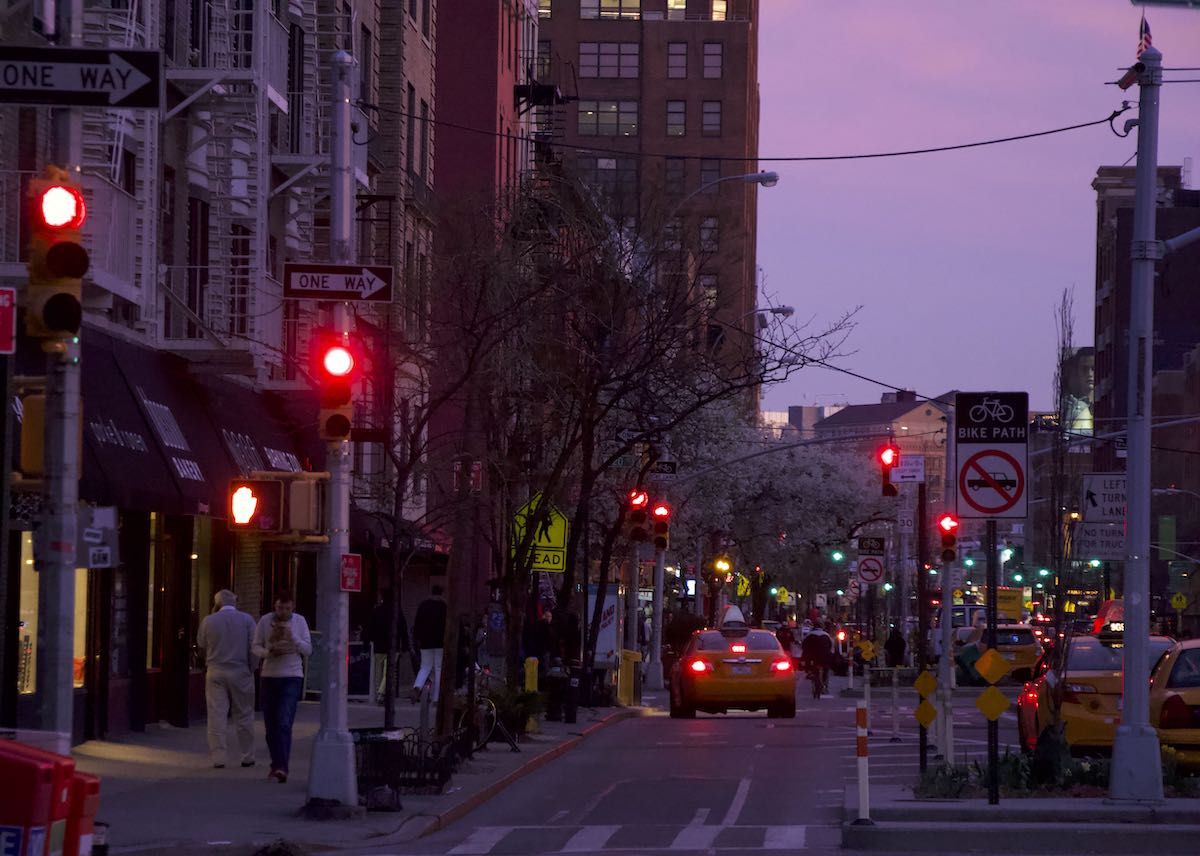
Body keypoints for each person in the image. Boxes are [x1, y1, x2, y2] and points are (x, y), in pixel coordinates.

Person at [252, 590, 312, 783]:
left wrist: (292, 636)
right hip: (270, 676)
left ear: (293, 607)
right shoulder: (265, 621)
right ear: (274, 607)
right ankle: (275, 763)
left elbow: (308, 649)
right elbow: (255, 646)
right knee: (271, 726)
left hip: (291, 676)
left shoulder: (299, 622)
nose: (283, 611)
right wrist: (268, 653)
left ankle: (282, 768)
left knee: (284, 722)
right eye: (280, 607)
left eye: (287, 608)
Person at [196, 589, 257, 769]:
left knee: (216, 715)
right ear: (234, 603)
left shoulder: (208, 621)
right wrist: (251, 668)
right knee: (244, 715)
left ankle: (219, 757)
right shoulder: (247, 620)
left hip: (215, 670)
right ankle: (247, 755)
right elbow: (253, 648)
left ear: (217, 604)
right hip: (240, 670)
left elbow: (201, 646)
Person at [365, 593, 409, 704]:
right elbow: (403, 629)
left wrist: (366, 641)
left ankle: (379, 693)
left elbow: (370, 627)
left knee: (378, 672)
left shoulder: (377, 611)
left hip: (379, 646)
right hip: (392, 646)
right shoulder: (397, 611)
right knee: (389, 672)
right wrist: (405, 646)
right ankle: (381, 693)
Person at [412, 585, 447, 700]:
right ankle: (436, 698)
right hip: (440, 642)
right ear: (441, 594)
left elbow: (417, 623)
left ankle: (417, 686)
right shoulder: (444, 607)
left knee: (425, 666)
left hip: (425, 642)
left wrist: (417, 638)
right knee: (438, 668)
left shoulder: (423, 605)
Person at [800, 621, 834, 696]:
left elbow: (803, 646)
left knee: (807, 659)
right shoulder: (826, 635)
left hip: (812, 656)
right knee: (826, 667)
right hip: (824, 656)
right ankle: (824, 683)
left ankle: (809, 671)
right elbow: (831, 646)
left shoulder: (809, 635)